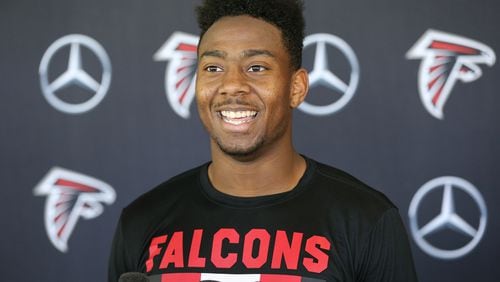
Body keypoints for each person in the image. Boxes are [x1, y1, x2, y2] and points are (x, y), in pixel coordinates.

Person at [108, 0, 418, 281]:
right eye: (213, 68)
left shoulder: (366, 219)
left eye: (256, 67)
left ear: (296, 88)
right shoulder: (142, 220)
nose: (232, 85)